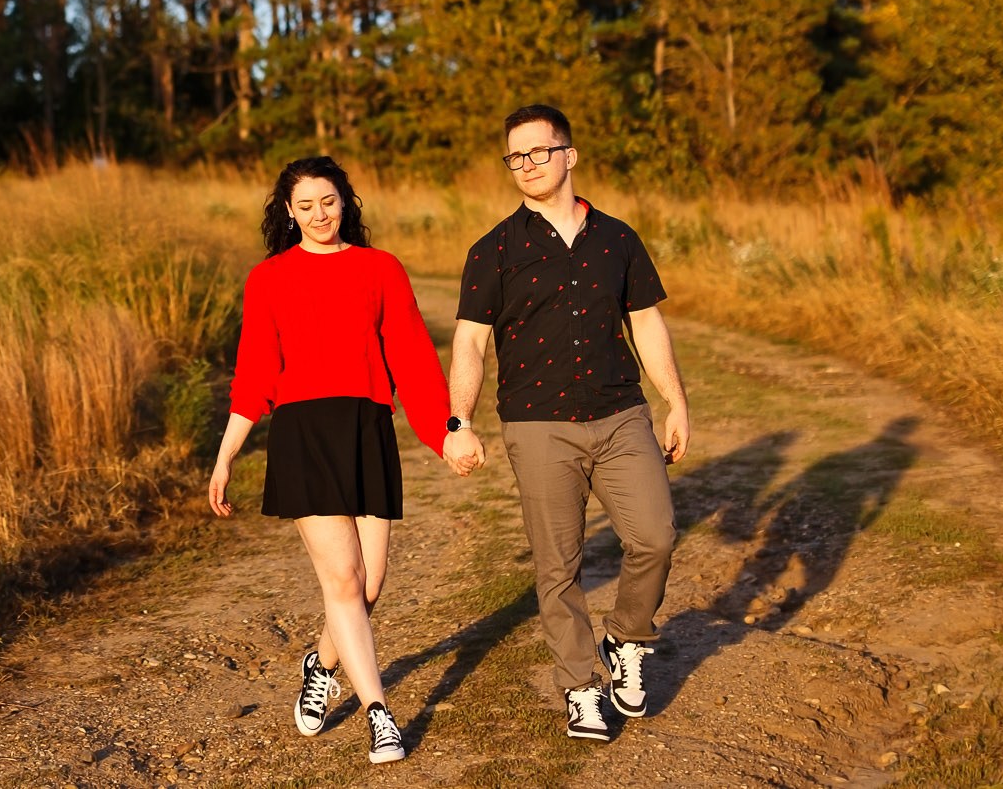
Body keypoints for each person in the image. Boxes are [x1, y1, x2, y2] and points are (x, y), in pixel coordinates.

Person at [442, 104, 691, 742]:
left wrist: (675, 400)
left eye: (538, 152)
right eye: (515, 157)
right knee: (559, 566)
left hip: (620, 412)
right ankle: (581, 686)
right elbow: (470, 342)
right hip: (537, 423)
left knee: (656, 536)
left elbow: (646, 322)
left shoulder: (618, 239)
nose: (525, 166)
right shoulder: (493, 250)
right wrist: (458, 420)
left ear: (569, 156)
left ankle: (628, 640)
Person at [206, 155, 452, 765]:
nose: (319, 214)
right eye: (306, 205)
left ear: (346, 203)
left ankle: (321, 663)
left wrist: (447, 433)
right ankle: (380, 714)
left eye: (329, 201)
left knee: (366, 589)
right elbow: (255, 374)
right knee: (342, 582)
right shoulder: (269, 279)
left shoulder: (380, 269)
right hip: (305, 434)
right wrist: (227, 454)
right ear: (288, 212)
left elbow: (414, 359)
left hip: (367, 427)